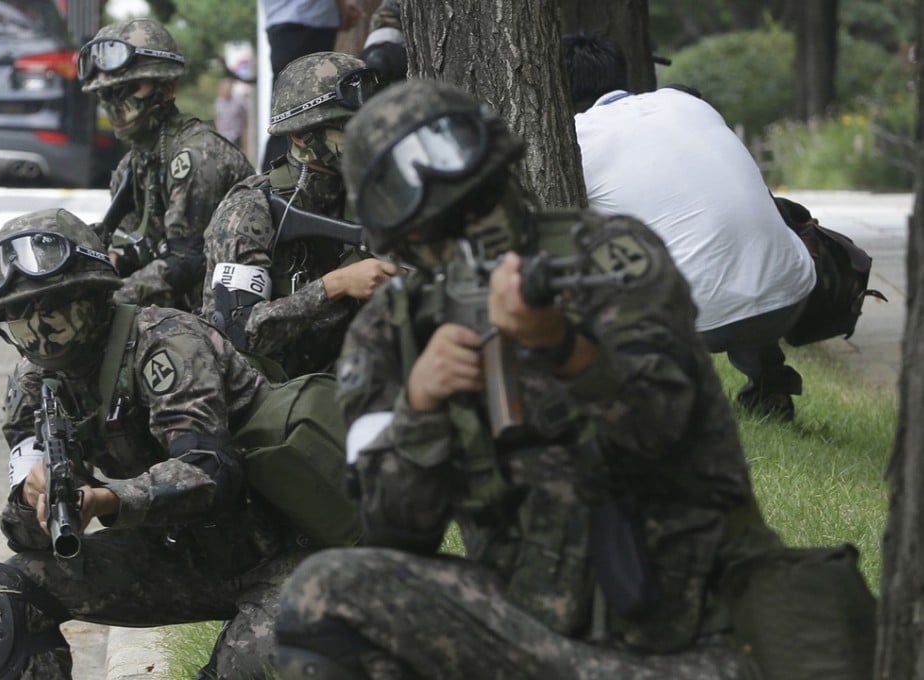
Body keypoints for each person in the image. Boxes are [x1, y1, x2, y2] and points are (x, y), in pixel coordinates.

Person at [272, 79, 782, 679]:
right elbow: (394, 531)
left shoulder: (612, 259)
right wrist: (420, 404)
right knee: (323, 596)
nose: (472, 229)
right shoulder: (393, 332)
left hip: (695, 634)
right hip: (530, 629)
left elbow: (666, 427)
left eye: (481, 198)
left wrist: (561, 345)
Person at [0, 208, 358, 679]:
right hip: (184, 556)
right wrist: (31, 498)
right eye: (16, 317)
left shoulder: (165, 342)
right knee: (9, 591)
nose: (39, 329)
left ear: (92, 296)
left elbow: (209, 473)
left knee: (251, 666)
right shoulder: (34, 388)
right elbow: (29, 536)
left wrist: (110, 500)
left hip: (281, 552)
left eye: (50, 307)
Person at [564, 34, 816, 420]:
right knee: (728, 247)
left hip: (695, 324)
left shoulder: (573, 141)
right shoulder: (685, 103)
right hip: (791, 292)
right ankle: (770, 387)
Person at [202, 51, 397, 379]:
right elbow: (238, 331)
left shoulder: (375, 196)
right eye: (351, 129)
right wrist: (335, 285)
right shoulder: (251, 210)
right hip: (275, 396)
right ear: (301, 136)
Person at [79, 18, 255, 313]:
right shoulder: (132, 166)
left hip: (225, 316)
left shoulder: (198, 155)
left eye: (128, 88)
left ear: (168, 87)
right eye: (106, 93)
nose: (115, 103)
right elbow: (136, 248)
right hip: (178, 313)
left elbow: (187, 263)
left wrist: (111, 300)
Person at [259, 0, 363, 169]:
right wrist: (342, 8)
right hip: (310, 20)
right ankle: (283, 182)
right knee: (306, 117)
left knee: (287, 116)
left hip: (280, 24)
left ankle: (275, 181)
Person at [214, 77, 249, 150]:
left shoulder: (239, 103)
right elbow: (218, 119)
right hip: (223, 137)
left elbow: (244, 121)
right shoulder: (218, 102)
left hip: (236, 136)